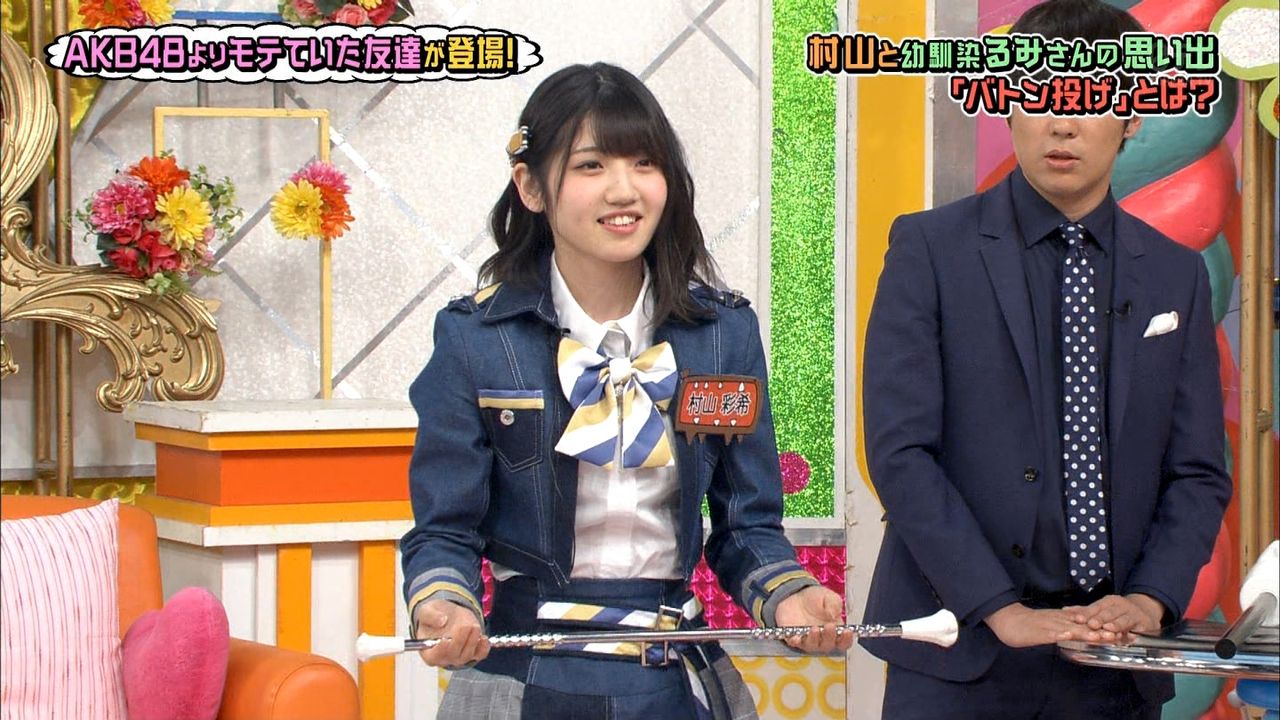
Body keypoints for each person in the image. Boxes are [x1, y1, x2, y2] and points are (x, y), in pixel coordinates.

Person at [400, 62, 851, 719]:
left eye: (644, 163)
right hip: (525, 672)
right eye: (591, 166)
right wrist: (444, 602)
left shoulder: (722, 335)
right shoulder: (474, 339)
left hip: (668, 676)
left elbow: (746, 525)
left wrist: (790, 595)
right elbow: (445, 530)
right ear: (530, 186)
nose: (624, 190)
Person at [859, 1, 1232, 718]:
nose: (1063, 123)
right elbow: (900, 451)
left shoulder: (1175, 275)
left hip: (1112, 662)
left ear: (1133, 117)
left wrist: (1149, 599)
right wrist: (999, 607)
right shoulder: (929, 250)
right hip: (959, 655)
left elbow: (1197, 468)